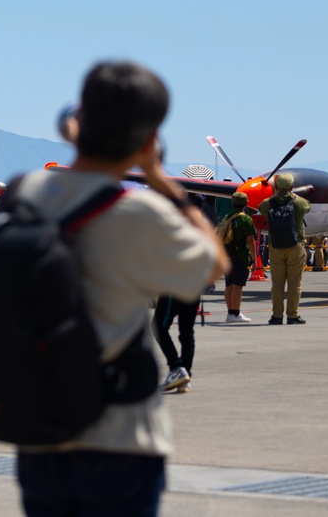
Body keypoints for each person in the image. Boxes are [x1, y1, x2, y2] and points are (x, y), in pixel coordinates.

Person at [12, 61, 226, 516]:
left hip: (40, 431)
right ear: (147, 136)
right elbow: (214, 264)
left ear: (76, 125)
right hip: (119, 439)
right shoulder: (139, 211)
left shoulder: (25, 192)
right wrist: (159, 177)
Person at [258, 172, 311, 325]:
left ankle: (276, 316)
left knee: (277, 283)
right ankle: (293, 316)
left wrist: (274, 196)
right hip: (296, 246)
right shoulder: (299, 202)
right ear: (292, 187)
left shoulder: (268, 203)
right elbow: (307, 207)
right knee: (295, 283)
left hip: (276, 246)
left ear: (276, 186)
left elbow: (260, 208)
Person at [220, 191, 256, 323]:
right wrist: (254, 259)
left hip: (226, 255)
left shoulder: (227, 217)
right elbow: (250, 241)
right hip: (240, 256)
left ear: (232, 203)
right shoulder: (246, 219)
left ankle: (230, 313)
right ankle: (236, 313)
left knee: (229, 285)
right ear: (246, 204)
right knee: (238, 285)